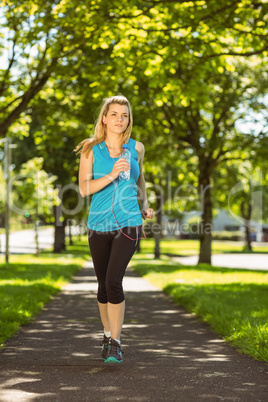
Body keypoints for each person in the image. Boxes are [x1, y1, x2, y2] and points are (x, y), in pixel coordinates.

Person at [75, 95, 155, 364]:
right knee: (101, 286)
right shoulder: (90, 149)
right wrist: (110, 174)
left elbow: (139, 180)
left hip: (129, 223)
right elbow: (84, 189)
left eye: (125, 115)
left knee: (113, 281)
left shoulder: (137, 148)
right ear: (104, 118)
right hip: (98, 224)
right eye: (115, 114)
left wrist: (144, 206)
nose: (120, 119)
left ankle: (117, 344)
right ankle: (108, 335)